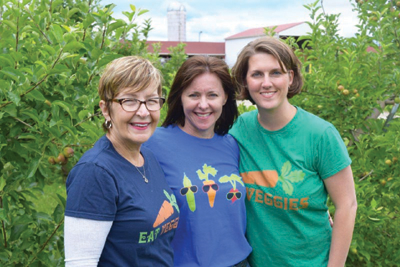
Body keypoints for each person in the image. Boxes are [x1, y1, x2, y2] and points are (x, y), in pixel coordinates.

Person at [230, 37, 357, 267]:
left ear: (290, 77)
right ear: (245, 81)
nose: (266, 82)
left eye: (275, 73)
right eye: (257, 74)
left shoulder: (320, 135)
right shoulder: (238, 129)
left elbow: (347, 205)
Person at [64, 56, 179, 266]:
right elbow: (81, 263)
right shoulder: (95, 172)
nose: (143, 112)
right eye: (130, 101)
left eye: (152, 100)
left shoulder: (147, 157)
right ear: (106, 109)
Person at [144, 55, 252, 267]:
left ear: (225, 98)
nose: (203, 105)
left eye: (212, 95)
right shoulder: (151, 143)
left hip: (238, 262)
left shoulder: (232, 145)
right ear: (180, 97)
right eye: (193, 95)